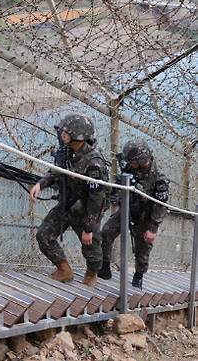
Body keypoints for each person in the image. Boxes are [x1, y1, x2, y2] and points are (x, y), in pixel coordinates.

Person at [29, 113, 107, 286]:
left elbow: (97, 198)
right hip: (66, 206)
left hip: (86, 211)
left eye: (66, 132)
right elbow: (56, 172)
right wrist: (40, 185)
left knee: (92, 249)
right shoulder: (67, 152)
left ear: (77, 136)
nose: (62, 134)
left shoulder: (94, 163)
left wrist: (89, 227)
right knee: (44, 236)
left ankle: (91, 274)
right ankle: (64, 269)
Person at [98, 139, 169, 289]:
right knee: (106, 232)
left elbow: (161, 205)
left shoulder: (158, 179)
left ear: (142, 161)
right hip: (127, 208)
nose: (130, 164)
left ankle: (138, 276)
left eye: (133, 162)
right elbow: (117, 187)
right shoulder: (129, 169)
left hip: (146, 216)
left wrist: (153, 228)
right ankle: (104, 266)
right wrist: (114, 196)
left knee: (142, 249)